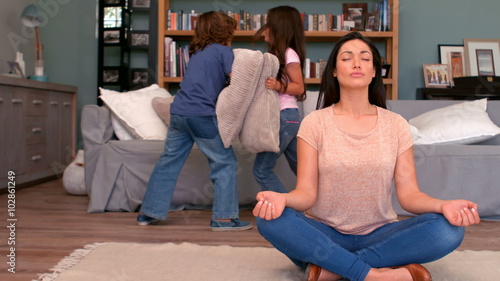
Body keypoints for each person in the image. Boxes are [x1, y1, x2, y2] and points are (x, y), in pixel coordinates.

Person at [253, 31, 480, 281]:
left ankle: (334, 269)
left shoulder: (396, 125)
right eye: (347, 58)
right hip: (324, 234)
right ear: (335, 71)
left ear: (374, 71)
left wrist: (444, 205)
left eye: (365, 58)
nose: (357, 63)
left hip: (380, 234)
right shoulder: (314, 123)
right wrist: (281, 200)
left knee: (448, 230)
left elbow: (410, 196)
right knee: (270, 219)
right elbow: (306, 194)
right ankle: (375, 274)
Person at [137, 11, 252, 231]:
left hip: (179, 113)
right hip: (201, 115)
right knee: (224, 163)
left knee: (168, 162)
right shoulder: (224, 52)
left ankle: (149, 212)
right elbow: (237, 81)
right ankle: (224, 219)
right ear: (224, 31)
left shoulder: (198, 53)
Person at [252, 6, 306, 193]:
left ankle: (286, 209)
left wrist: (277, 86)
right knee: (302, 169)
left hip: (283, 117)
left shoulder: (288, 54)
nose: (264, 28)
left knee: (261, 170)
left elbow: (299, 87)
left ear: (279, 28)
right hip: (288, 118)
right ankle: (324, 204)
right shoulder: (275, 55)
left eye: (269, 24)